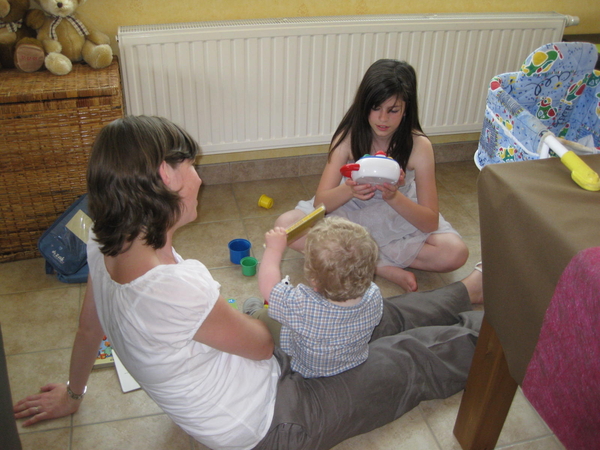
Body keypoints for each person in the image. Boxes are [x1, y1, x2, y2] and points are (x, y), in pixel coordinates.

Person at [13, 115, 483, 450]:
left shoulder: (102, 241)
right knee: (407, 360)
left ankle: (470, 291)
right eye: (191, 165)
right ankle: (503, 338)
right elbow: (261, 344)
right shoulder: (175, 286)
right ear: (165, 176)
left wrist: (75, 394)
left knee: (366, 314)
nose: (199, 176)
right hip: (273, 421)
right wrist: (277, 308)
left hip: (259, 376)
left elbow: (88, 328)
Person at [275, 59, 468, 292]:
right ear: (363, 105)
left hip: (396, 215)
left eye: (393, 110)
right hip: (351, 211)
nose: (382, 119)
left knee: (454, 253)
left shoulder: (419, 146)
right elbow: (320, 203)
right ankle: (379, 266)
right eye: (375, 108)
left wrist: (394, 197)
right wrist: (349, 189)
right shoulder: (347, 137)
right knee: (286, 227)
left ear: (407, 109)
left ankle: (363, 259)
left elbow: (429, 221)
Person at [246, 216, 383, 378]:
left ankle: (253, 313)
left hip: (306, 366)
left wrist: (273, 250)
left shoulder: (303, 304)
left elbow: (269, 287)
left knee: (265, 317)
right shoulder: (374, 294)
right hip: (352, 360)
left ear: (314, 282)